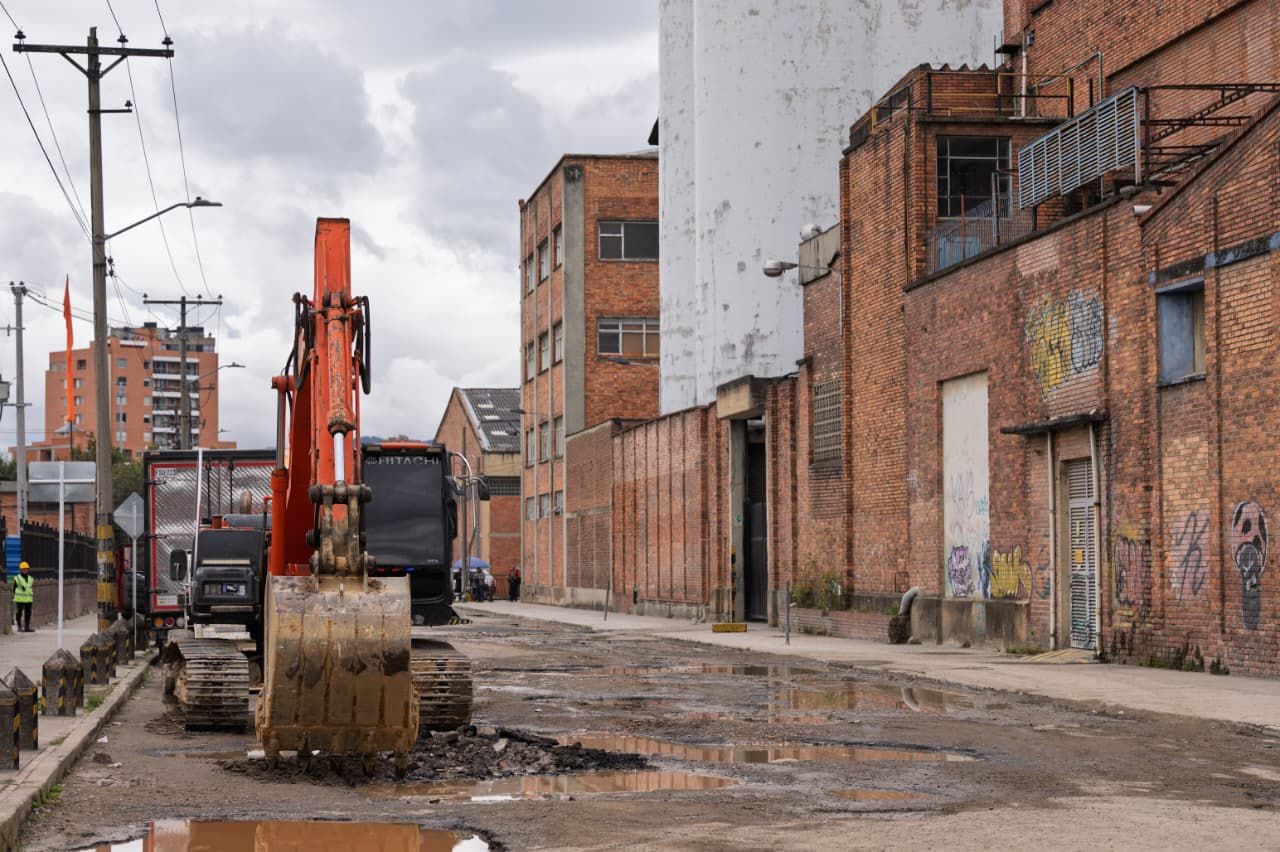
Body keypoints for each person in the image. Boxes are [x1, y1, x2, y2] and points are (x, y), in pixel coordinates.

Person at [11, 561, 34, 633]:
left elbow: (30, 588)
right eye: (23, 569)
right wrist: (15, 596)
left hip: (29, 599)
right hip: (20, 599)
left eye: (26, 569)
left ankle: (27, 627)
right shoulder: (17, 578)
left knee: (28, 613)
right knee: (19, 613)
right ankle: (19, 626)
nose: (25, 570)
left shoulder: (31, 578)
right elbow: (14, 588)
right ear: (20, 570)